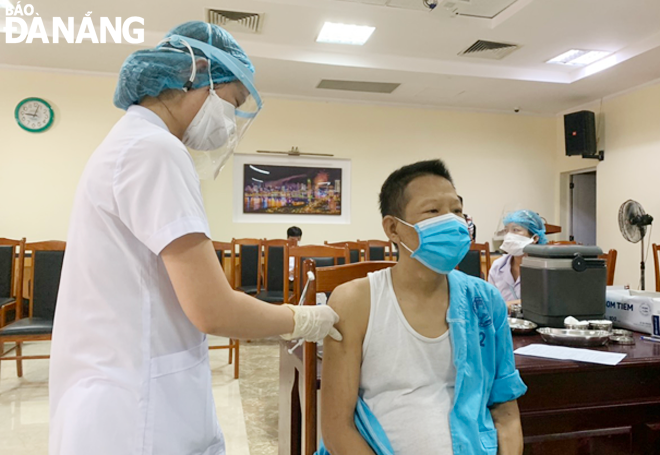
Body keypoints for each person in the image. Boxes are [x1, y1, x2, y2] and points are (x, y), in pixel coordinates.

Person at [48, 21, 341, 455]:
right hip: (137, 414)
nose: (230, 121)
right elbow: (213, 309)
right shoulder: (155, 150)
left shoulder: (130, 143)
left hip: (123, 394)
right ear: (197, 76)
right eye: (233, 102)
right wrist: (304, 320)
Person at [320, 160, 526, 455]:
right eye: (433, 211)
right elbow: (337, 429)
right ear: (394, 228)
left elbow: (505, 410)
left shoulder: (485, 301)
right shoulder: (355, 301)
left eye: (457, 211)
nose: (453, 222)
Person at [488, 210, 548, 308]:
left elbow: (544, 303)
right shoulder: (497, 266)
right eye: (506, 230)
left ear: (535, 238)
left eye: (516, 230)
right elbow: (491, 302)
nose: (509, 236)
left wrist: (508, 305)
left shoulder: (544, 268)